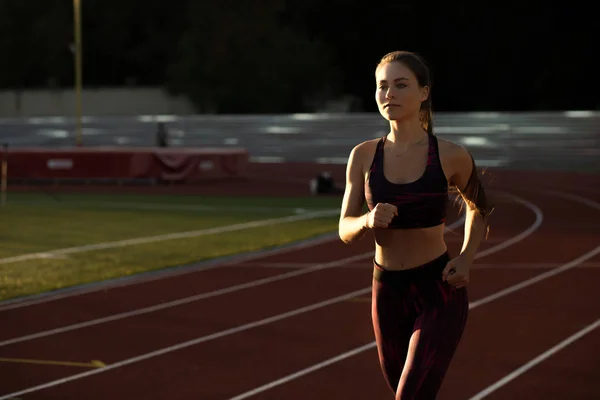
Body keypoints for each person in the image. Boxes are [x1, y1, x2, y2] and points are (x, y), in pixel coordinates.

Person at [338, 50, 494, 399]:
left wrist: (467, 258)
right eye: (382, 86)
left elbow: (478, 208)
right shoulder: (363, 155)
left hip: (438, 289)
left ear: (424, 92)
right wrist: (366, 219)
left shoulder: (450, 154)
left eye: (401, 84)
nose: (389, 94)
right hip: (386, 291)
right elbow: (344, 228)